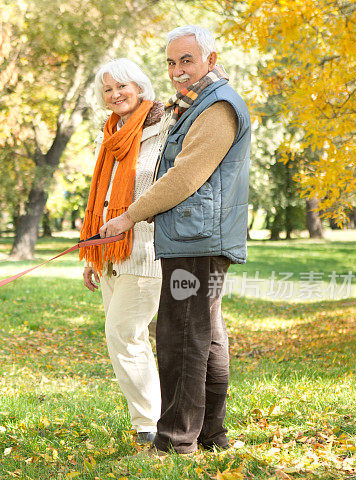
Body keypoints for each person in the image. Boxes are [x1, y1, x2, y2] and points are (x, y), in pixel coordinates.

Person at [100, 25, 251, 457]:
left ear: (210, 59)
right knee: (207, 335)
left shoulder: (218, 107)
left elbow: (184, 176)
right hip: (198, 236)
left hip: (197, 240)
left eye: (186, 60)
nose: (177, 70)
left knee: (181, 336)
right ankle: (210, 434)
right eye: (170, 62)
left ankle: (174, 440)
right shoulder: (192, 106)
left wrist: (130, 215)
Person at [79, 58, 168, 445]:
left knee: (124, 334)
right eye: (108, 89)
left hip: (147, 250)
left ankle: (148, 424)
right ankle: (154, 418)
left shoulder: (164, 128)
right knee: (128, 338)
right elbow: (101, 201)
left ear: (140, 86)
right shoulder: (111, 133)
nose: (115, 95)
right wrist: (92, 254)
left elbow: (166, 190)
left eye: (122, 86)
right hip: (112, 253)